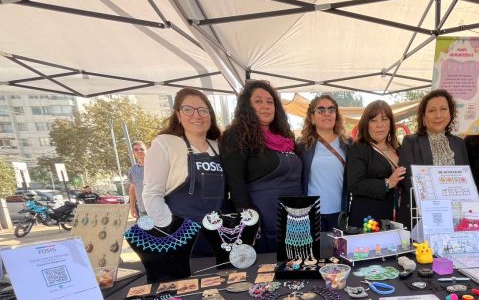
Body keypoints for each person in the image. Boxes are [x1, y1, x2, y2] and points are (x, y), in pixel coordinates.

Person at [221, 80, 301, 253]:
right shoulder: (237, 136)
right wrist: (250, 219)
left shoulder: (285, 137)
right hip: (264, 220)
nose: (265, 106)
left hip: (296, 218)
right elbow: (235, 183)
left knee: (297, 266)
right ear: (247, 106)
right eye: (258, 101)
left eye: (270, 102)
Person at [142, 87, 225, 228]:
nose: (197, 116)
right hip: (182, 233)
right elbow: (152, 194)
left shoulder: (220, 147)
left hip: (218, 231)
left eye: (203, 111)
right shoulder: (166, 144)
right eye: (188, 110)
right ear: (178, 116)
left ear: (210, 116)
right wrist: (171, 230)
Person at [399, 89, 469, 226]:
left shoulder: (459, 143)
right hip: (421, 217)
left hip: (455, 217)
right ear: (423, 117)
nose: (438, 115)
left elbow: (466, 180)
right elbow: (408, 180)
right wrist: (438, 203)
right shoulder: (410, 142)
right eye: (432, 110)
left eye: (443, 109)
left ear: (450, 114)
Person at [346, 100, 405, 228]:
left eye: (384, 119)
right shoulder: (359, 148)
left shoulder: (398, 148)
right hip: (368, 219)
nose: (380, 125)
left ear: (390, 123)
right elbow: (354, 184)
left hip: (396, 216)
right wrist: (387, 183)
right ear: (366, 124)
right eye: (373, 120)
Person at [298, 94, 351, 231]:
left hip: (339, 212)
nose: (327, 113)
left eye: (331, 110)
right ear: (312, 117)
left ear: (336, 116)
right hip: (311, 213)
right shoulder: (302, 146)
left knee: (337, 246)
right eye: (321, 110)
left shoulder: (347, 144)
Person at [127, 141, 146, 217]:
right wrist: (132, 207)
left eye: (142, 149)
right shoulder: (132, 170)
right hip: (143, 210)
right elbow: (132, 189)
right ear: (133, 153)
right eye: (136, 149)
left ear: (146, 150)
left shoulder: (156, 165)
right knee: (145, 225)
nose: (139, 151)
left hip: (160, 208)